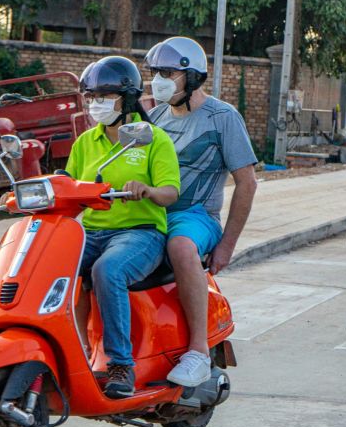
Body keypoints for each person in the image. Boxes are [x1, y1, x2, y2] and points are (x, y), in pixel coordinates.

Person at [144, 37, 259, 387]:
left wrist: (226, 246)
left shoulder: (223, 117)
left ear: (192, 77)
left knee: (180, 247)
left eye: (167, 73)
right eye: (156, 73)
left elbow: (247, 183)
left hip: (196, 217)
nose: (158, 81)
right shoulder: (154, 116)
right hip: (152, 212)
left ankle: (197, 352)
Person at [67, 56, 181, 398]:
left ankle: (120, 365)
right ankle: (74, 351)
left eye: (104, 96)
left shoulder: (152, 139)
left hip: (140, 233)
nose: (95, 104)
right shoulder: (85, 142)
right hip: (91, 232)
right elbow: (68, 186)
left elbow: (171, 192)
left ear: (128, 98)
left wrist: (146, 190)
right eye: (91, 96)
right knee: (51, 266)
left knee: (107, 270)